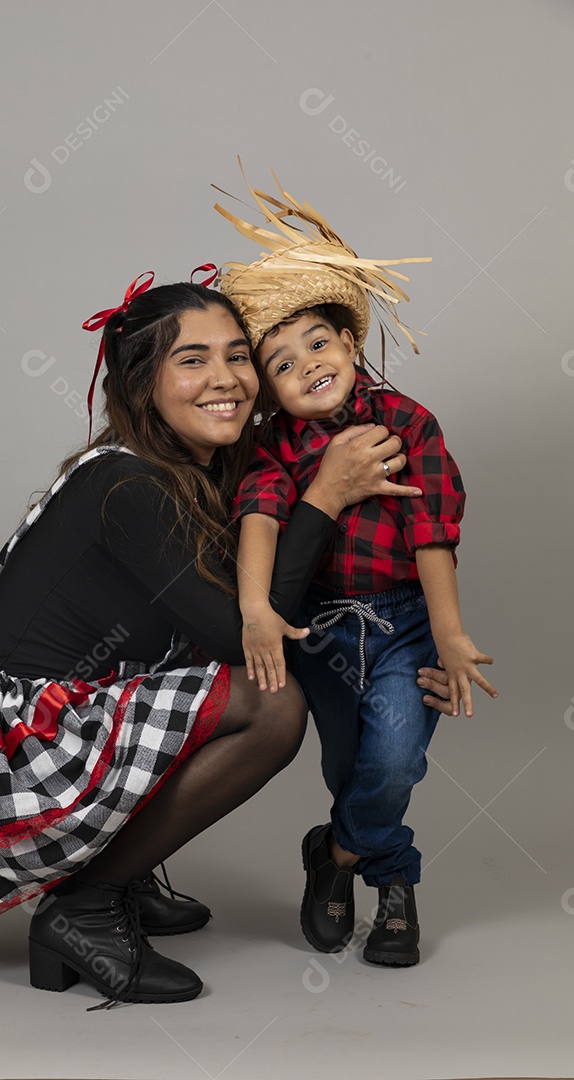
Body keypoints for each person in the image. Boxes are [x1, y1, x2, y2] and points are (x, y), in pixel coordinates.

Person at [0, 274, 453, 1009]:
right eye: (193, 360)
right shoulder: (128, 487)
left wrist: (411, 649)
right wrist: (325, 496)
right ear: (144, 385)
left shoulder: (183, 467)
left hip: (63, 708)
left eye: (239, 357)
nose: (227, 379)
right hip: (0, 756)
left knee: (212, 669)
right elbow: (247, 634)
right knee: (270, 704)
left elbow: (254, 601)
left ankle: (118, 870)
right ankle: (83, 906)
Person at [215, 176, 498, 966]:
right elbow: (261, 522)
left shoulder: (406, 421)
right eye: (279, 362)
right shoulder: (273, 447)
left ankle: (358, 862)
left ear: (349, 342)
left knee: (396, 758)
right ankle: (376, 874)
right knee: (348, 764)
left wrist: (447, 632)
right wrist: (254, 611)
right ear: (264, 388)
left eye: (317, 343)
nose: (306, 364)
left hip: (406, 622)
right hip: (325, 630)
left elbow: (432, 529)